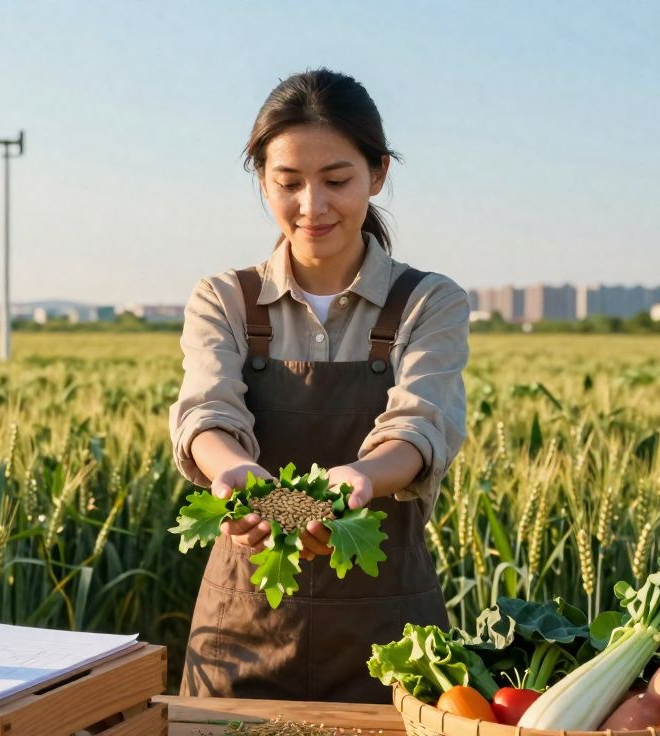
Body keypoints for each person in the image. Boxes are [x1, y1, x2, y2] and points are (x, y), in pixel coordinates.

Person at [168, 68, 470, 704]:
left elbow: (420, 426)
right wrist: (236, 477)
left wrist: (357, 481)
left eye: (337, 180)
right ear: (261, 180)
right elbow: (207, 414)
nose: (313, 205)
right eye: (288, 183)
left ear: (378, 174)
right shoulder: (223, 299)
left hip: (390, 638)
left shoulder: (428, 303)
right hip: (239, 635)